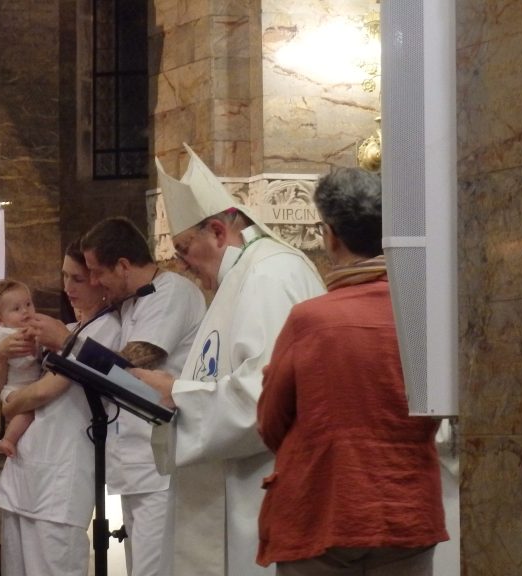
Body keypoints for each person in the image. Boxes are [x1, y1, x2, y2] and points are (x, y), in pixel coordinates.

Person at [132, 144, 324, 576]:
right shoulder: (238, 279)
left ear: (218, 232)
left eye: (183, 251)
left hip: (258, 492)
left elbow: (269, 394)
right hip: (230, 488)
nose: (183, 265)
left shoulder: (270, 275)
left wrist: (176, 392)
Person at [257, 167, 448, 575]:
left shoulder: (309, 319)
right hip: (406, 505)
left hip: (323, 502)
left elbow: (270, 423)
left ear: (329, 234)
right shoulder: (423, 313)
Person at [80, 217, 206, 576]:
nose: (94, 282)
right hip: (134, 463)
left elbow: (130, 362)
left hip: (160, 465)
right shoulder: (131, 302)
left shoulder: (172, 293)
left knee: (153, 571)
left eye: (96, 272)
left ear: (122, 265)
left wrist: (67, 343)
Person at [0, 239, 122, 576]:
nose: (67, 288)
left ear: (100, 279)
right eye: (64, 277)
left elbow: (44, 392)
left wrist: (11, 404)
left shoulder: (108, 329)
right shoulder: (68, 329)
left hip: (60, 477)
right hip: (24, 469)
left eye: (77, 279)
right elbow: (2, 389)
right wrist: (0, 357)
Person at [0, 278, 41, 458]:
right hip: (15, 389)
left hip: (27, 386)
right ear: (0, 320)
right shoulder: (9, 335)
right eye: (16, 309)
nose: (25, 311)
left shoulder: (32, 328)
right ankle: (8, 440)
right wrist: (36, 347)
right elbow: (22, 362)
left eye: (28, 304)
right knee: (28, 412)